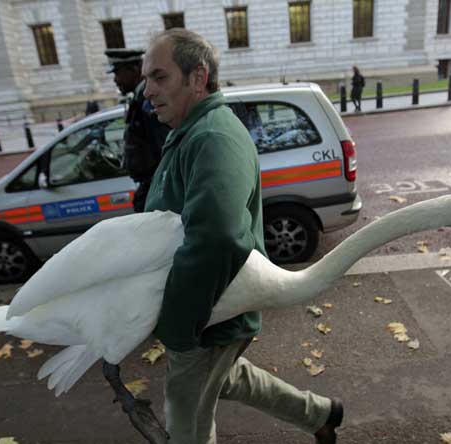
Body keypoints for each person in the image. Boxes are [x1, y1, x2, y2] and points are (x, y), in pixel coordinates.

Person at [142, 28, 343, 444]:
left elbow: (215, 239)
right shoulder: (192, 131)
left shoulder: (212, 137)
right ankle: (320, 414)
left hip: (206, 320)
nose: (148, 91)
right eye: (147, 79)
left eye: (159, 77)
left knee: (187, 428)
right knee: (228, 379)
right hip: (210, 314)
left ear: (198, 77)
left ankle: (320, 416)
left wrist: (177, 325)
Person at [105, 48, 170, 212]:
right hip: (151, 184)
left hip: (156, 185)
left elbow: (164, 147)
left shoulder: (148, 100)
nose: (115, 80)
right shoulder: (139, 98)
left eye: (117, 73)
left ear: (134, 70)